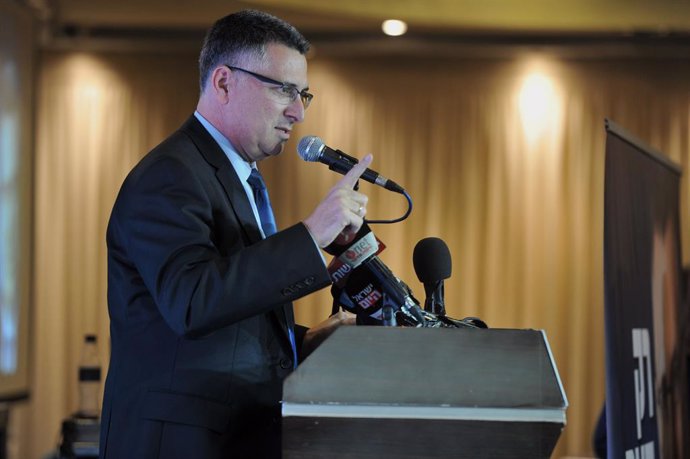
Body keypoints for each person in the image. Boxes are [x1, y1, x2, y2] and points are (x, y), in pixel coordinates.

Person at [99, 9, 372, 459]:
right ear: (224, 82)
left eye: (303, 93)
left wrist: (299, 341)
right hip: (181, 443)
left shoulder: (234, 177)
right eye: (283, 89)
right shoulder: (170, 174)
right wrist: (309, 236)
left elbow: (225, 316)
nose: (298, 111)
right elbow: (191, 302)